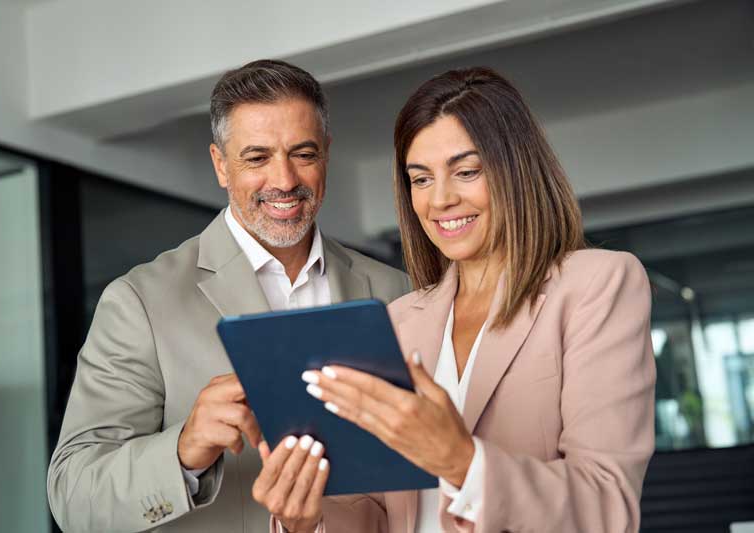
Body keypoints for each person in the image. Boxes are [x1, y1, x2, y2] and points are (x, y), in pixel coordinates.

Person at [258, 67, 656, 532]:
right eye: (421, 180)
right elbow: (379, 512)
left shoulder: (598, 285)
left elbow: (606, 507)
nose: (441, 199)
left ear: (517, 170)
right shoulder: (400, 318)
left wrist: (463, 461)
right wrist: (305, 521)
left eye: (465, 172)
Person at [46, 59, 411, 533]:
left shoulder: (394, 291)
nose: (283, 180)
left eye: (303, 153)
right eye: (257, 158)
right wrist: (183, 451)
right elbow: (72, 495)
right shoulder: (139, 302)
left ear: (326, 153)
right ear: (221, 164)